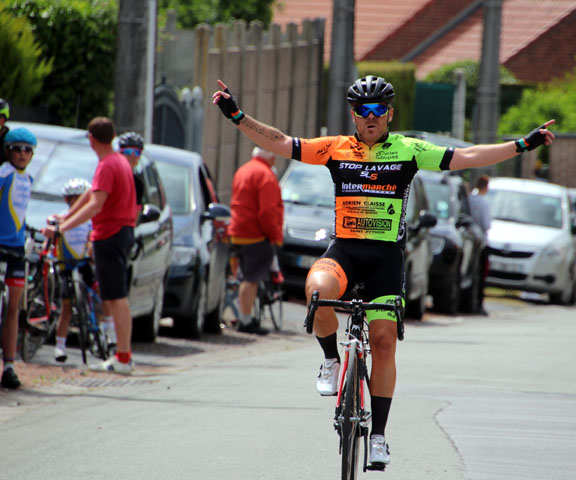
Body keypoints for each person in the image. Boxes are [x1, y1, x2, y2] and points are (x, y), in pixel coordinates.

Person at [212, 75, 555, 465]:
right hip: (344, 250)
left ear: (389, 113)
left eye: (378, 110)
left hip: (385, 259)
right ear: (354, 115)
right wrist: (236, 115)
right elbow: (278, 141)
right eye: (363, 110)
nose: (370, 117)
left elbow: (471, 156)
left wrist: (523, 144)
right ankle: (330, 358)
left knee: (384, 340)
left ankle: (378, 435)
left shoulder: (409, 150)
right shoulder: (336, 148)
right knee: (316, 291)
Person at [43, 117, 137, 374]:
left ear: (91, 139)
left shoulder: (107, 165)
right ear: (113, 135)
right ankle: (123, 355)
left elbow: (96, 203)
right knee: (117, 298)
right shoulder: (117, 161)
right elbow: (91, 194)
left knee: (116, 299)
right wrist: (67, 215)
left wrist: (62, 228)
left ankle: (124, 357)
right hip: (121, 233)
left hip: (110, 235)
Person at [0, 127, 36, 389]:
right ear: (9, 150)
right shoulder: (4, 172)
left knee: (13, 308)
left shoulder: (28, 178)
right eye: (17, 149)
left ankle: (9, 367)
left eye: (28, 149)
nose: (22, 154)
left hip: (16, 249)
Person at [52, 178, 116, 362]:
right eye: (74, 199)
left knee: (103, 293)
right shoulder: (62, 218)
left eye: (82, 199)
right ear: (68, 201)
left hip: (84, 264)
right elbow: (51, 227)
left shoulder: (90, 220)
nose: (78, 203)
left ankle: (107, 333)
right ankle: (60, 346)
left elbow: (93, 236)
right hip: (67, 267)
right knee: (66, 307)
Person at [228, 146, 284, 335]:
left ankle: (244, 317)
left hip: (238, 231)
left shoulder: (243, 170)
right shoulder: (265, 175)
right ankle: (245, 321)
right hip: (255, 235)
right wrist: (275, 236)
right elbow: (267, 212)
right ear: (271, 156)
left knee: (244, 277)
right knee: (251, 280)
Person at [469, 174, 491, 314]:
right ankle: (478, 303)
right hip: (481, 241)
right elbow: (486, 224)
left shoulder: (469, 199)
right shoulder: (483, 202)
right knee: (481, 273)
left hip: (470, 239)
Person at [117, 131, 148, 214]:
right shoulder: (110, 176)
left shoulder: (138, 184)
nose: (132, 156)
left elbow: (135, 215)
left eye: (137, 152)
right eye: (127, 152)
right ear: (119, 153)